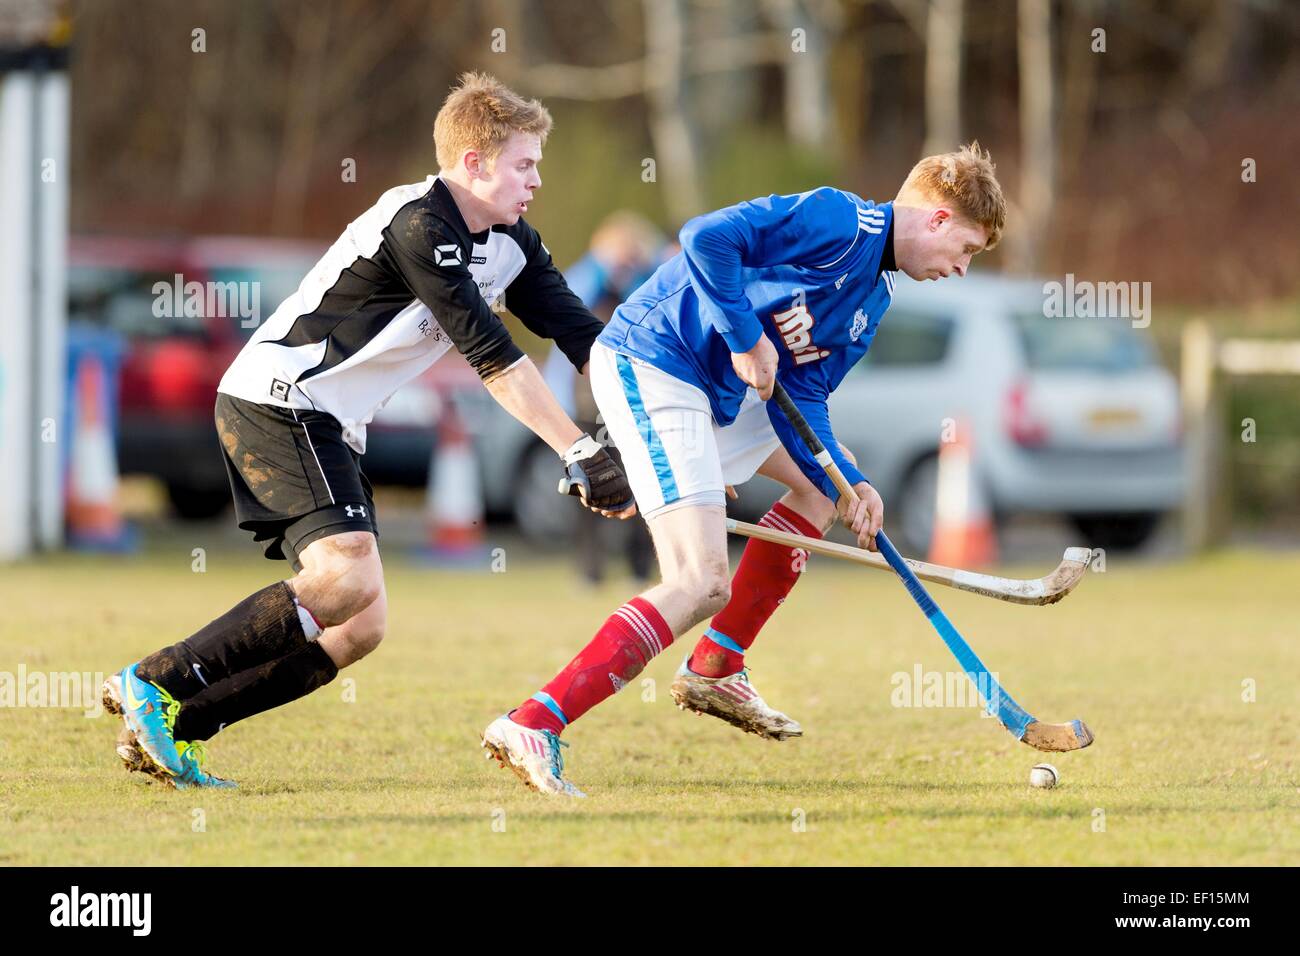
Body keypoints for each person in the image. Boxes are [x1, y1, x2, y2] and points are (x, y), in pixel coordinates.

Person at [102, 72, 633, 789]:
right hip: (278, 400)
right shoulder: (420, 223)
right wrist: (577, 448)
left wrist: (656, 439)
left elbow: (585, 340)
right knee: (343, 578)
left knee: (359, 626)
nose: (537, 179)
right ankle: (154, 681)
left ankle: (173, 726)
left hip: (332, 422)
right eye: (524, 164)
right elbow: (493, 358)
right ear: (473, 163)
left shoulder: (512, 242)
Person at [483, 143, 1007, 796]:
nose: (960, 269)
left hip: (718, 397)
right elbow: (704, 240)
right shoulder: (837, 221)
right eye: (965, 249)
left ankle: (716, 666)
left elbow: (806, 398)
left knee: (821, 491)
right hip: (656, 362)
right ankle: (534, 721)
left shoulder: (873, 301)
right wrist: (745, 337)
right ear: (934, 218)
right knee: (700, 581)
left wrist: (853, 480)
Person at [542, 211, 665, 584]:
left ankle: (641, 567)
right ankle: (589, 569)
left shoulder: (644, 280)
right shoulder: (586, 278)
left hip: (635, 400)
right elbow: (569, 323)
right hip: (588, 402)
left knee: (643, 481)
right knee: (591, 480)